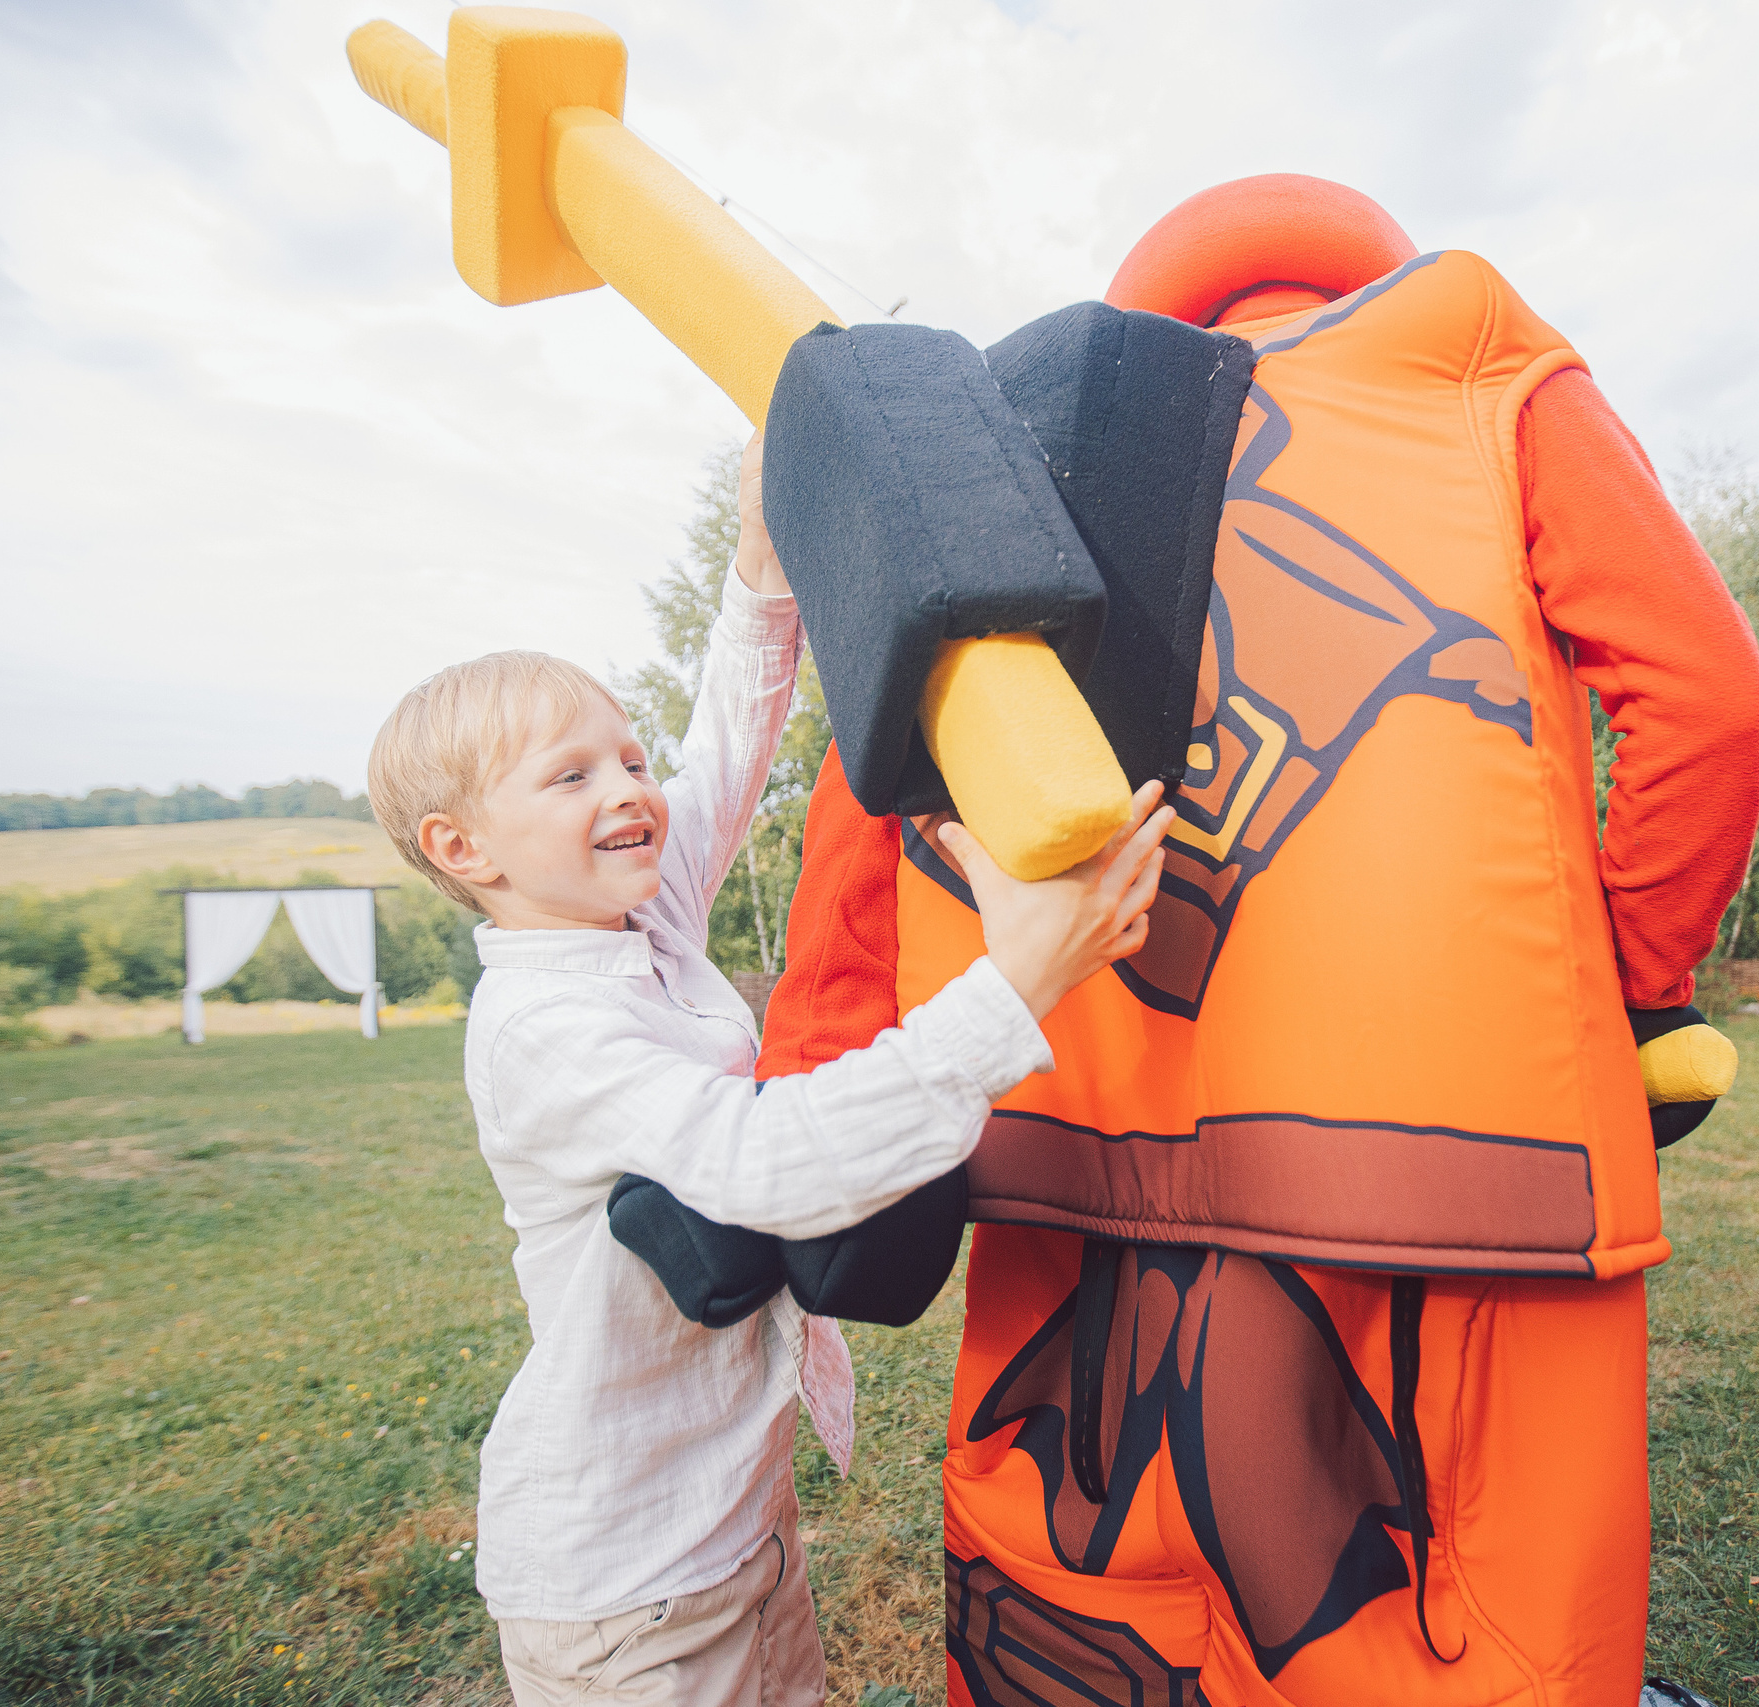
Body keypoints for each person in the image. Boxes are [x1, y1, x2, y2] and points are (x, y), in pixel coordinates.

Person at [758, 177, 1759, 1707]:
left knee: (1083, 1596)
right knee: (1459, 1623)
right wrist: (1625, 997)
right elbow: (1709, 704)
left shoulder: (1001, 437)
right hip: (1459, 1155)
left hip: (1074, 1155)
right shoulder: (1473, 357)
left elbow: (865, 808)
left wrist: (817, 1079)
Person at [363, 433, 1174, 1707]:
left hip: (732, 1531)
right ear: (464, 846)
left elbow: (727, 751)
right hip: (622, 1586)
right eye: (570, 775)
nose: (630, 787)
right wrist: (1018, 979)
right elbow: (769, 1166)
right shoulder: (543, 1029)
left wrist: (760, 557)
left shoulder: (633, 921)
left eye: (625, 757)